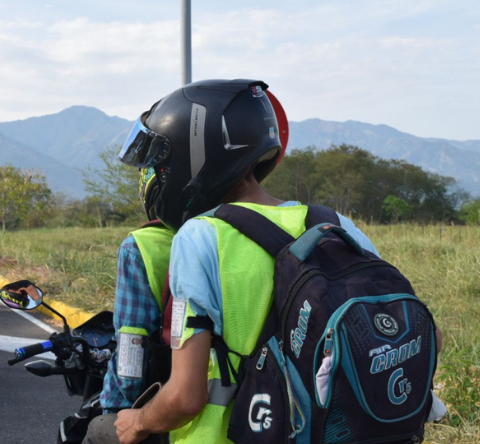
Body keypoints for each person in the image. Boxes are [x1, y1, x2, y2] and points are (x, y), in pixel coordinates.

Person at [111, 79, 386, 444]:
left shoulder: (199, 237)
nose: (157, 173)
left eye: (162, 160)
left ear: (195, 154)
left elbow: (185, 397)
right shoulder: (334, 223)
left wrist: (139, 421)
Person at [82, 168, 175, 444]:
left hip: (163, 404)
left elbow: (133, 345)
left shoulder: (140, 246)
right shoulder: (220, 235)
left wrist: (117, 408)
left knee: (96, 430)